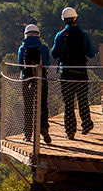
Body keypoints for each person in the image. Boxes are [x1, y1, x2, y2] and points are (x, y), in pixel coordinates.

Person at [51, 7, 96, 139]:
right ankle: (86, 124)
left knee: (68, 103)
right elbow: (92, 54)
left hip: (66, 74)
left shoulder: (60, 36)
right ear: (76, 19)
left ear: (64, 20)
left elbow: (54, 54)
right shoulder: (84, 35)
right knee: (83, 100)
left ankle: (70, 131)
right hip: (81, 73)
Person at [18, 24, 51, 143]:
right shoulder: (44, 47)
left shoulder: (22, 48)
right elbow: (47, 64)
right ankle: (44, 128)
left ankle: (27, 133)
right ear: (38, 34)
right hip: (41, 80)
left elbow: (20, 65)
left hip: (27, 81)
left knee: (28, 107)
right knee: (43, 105)